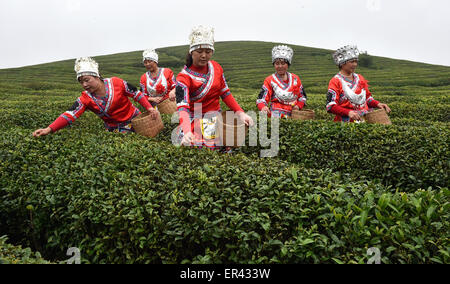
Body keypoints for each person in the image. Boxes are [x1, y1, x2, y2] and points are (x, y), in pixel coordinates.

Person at [33, 57, 158, 136]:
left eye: (87, 80)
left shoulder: (116, 82)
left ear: (97, 76)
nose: (85, 85)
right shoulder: (85, 99)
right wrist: (49, 129)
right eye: (81, 82)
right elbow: (70, 114)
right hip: (115, 131)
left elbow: (136, 93)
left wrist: (150, 108)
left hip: (138, 121)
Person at [175, 25, 254, 149]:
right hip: (194, 120)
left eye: (208, 52)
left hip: (214, 119)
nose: (204, 56)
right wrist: (186, 131)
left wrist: (241, 113)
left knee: (222, 149)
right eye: (199, 52)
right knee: (198, 148)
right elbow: (182, 108)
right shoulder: (183, 78)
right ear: (191, 52)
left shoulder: (216, 68)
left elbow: (225, 93)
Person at [326, 45, 391, 122]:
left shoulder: (360, 78)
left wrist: (378, 104)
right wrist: (348, 112)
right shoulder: (335, 81)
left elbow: (367, 98)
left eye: (356, 61)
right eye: (352, 62)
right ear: (342, 64)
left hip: (364, 121)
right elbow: (330, 106)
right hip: (345, 123)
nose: (355, 64)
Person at [257, 45, 307, 118]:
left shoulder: (295, 79)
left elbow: (302, 97)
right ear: (274, 65)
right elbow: (261, 99)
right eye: (277, 64)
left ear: (288, 65)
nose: (280, 66)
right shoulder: (269, 80)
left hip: (294, 115)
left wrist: (298, 106)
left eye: (283, 63)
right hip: (275, 115)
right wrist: (263, 107)